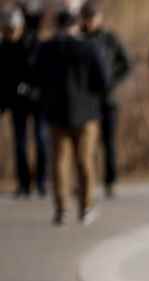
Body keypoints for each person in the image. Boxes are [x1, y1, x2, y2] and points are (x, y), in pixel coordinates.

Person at [33, 8, 109, 225]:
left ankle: (61, 209)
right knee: (84, 161)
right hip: (86, 113)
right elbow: (103, 80)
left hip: (56, 113)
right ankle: (85, 207)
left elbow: (36, 77)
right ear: (77, 25)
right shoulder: (88, 47)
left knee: (59, 162)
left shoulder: (46, 48)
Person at [80, 0, 130, 199]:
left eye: (93, 17)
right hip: (85, 101)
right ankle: (85, 183)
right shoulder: (79, 40)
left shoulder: (110, 39)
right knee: (86, 146)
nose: (90, 21)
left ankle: (110, 181)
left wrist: (112, 81)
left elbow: (125, 64)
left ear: (99, 18)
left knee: (108, 143)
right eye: (87, 18)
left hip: (108, 99)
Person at [0, 4, 47, 198]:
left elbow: (44, 72)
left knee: (40, 140)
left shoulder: (34, 42)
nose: (9, 33)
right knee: (19, 143)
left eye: (12, 29)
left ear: (20, 27)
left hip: (38, 102)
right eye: (6, 30)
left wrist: (34, 89)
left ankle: (41, 182)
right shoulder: (3, 48)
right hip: (17, 102)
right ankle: (23, 183)